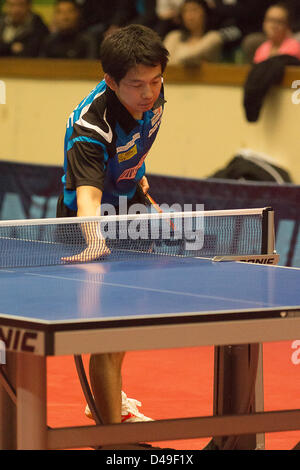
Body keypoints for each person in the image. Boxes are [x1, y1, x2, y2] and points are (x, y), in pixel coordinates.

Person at [56, 24, 169, 426]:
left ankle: (106, 402)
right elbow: (88, 193)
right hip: (87, 221)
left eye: (156, 81)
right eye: (137, 84)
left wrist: (141, 184)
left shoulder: (152, 99)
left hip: (129, 211)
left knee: (124, 324)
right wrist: (93, 240)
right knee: (107, 334)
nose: (149, 92)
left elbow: (132, 147)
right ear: (110, 81)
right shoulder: (91, 126)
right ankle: (111, 437)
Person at [164, 0, 222, 66]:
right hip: (172, 75)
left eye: (194, 10)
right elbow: (163, 63)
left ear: (205, 13)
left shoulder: (214, 37)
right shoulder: (174, 36)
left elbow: (186, 58)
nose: (190, 16)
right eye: (185, 11)